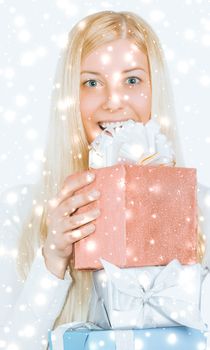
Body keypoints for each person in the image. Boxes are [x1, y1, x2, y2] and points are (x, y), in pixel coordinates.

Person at [0, 10, 209, 350]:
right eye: (92, 83)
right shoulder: (19, 210)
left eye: (132, 80)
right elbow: (12, 345)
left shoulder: (202, 208)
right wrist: (52, 260)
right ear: (70, 96)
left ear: (155, 90)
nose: (114, 101)